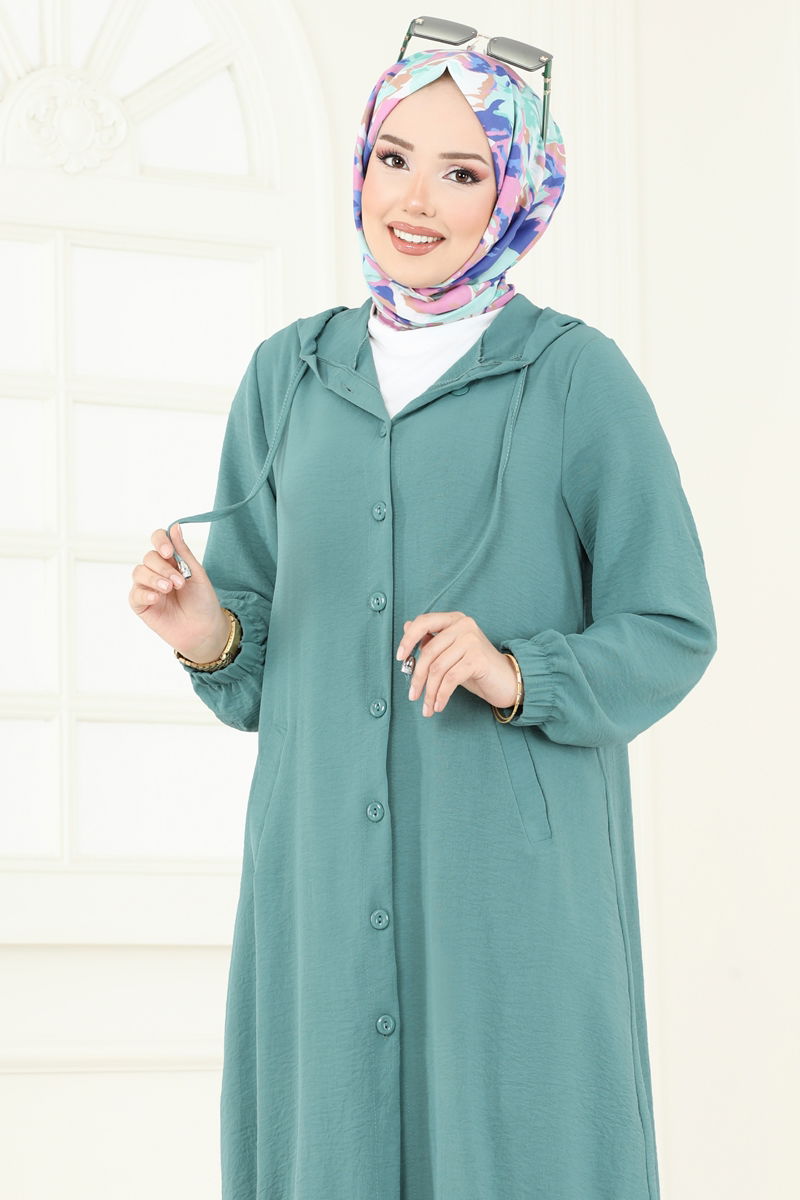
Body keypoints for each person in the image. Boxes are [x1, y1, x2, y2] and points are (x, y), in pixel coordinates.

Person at [128, 46, 717, 1200]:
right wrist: (204, 629)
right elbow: (251, 660)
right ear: (359, 165)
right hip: (316, 878)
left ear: (516, 195)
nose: (414, 200)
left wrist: (514, 671)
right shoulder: (287, 376)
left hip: (509, 891)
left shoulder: (574, 377)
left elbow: (669, 624)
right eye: (394, 159)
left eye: (460, 173)